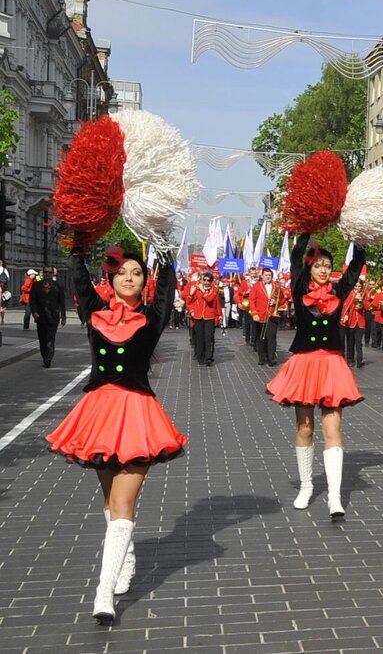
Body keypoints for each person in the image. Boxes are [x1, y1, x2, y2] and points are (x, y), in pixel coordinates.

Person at [45, 247, 185, 625]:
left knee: (123, 504)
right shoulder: (94, 314)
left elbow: (167, 290)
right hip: (98, 416)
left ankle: (103, 592)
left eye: (136, 273)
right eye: (121, 272)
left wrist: (166, 251)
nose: (128, 278)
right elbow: (79, 277)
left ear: (144, 281)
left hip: (138, 416)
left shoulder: (152, 318)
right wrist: (79, 241)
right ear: (109, 278)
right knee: (109, 500)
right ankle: (128, 558)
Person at [266, 236, 366, 521]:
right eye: (318, 265)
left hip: (332, 366)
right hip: (305, 366)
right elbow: (297, 258)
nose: (323, 270)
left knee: (333, 430)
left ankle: (335, 495)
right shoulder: (299, 289)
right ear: (309, 269)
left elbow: (356, 266)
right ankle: (307, 486)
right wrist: (308, 226)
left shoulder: (339, 290)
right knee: (305, 428)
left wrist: (359, 236)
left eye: (327, 266)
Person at [29, 266, 68, 368]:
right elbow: (32, 301)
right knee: (42, 340)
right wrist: (34, 312)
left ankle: (48, 359)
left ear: (53, 274)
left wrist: (63, 316)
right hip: (40, 317)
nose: (47, 274)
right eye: (45, 272)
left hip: (53, 317)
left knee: (50, 339)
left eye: (49, 272)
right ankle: (44, 356)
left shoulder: (58, 285)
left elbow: (62, 302)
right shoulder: (36, 285)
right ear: (42, 273)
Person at [250, 268, 285, 366]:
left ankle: (271, 358)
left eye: (269, 275)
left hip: (272, 315)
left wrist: (275, 302)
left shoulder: (276, 286)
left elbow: (282, 299)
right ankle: (262, 358)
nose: (268, 277)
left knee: (272, 336)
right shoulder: (256, 286)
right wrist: (254, 313)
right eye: (266, 275)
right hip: (260, 315)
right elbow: (251, 300)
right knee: (261, 337)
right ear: (262, 276)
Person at [190, 272, 221, 366]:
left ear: (211, 282)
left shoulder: (214, 290)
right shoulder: (196, 289)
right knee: (199, 338)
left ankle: (208, 357)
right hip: (198, 316)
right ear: (202, 280)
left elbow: (210, 299)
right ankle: (200, 357)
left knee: (208, 338)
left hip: (209, 317)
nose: (206, 282)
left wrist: (220, 315)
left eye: (208, 280)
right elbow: (190, 301)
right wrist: (191, 294)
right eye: (204, 280)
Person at [341, 278, 369, 369]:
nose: (357, 288)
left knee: (358, 341)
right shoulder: (350, 294)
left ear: (362, 287)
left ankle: (359, 360)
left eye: (359, 286)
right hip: (351, 320)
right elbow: (346, 305)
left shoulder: (365, 294)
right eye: (356, 286)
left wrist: (362, 301)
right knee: (350, 341)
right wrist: (345, 315)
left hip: (360, 321)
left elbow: (368, 307)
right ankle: (350, 359)